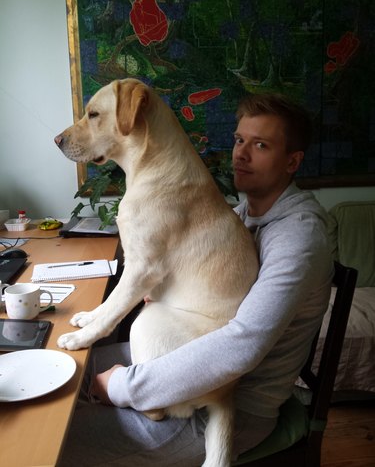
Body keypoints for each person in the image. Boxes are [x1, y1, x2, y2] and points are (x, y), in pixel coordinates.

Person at [60, 93, 333, 466]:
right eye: (239, 140)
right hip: (185, 360)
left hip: (229, 409)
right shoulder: (239, 215)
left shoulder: (299, 236)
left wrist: (123, 386)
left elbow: (244, 344)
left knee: (54, 440)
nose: (241, 154)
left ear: (292, 161)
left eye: (261, 145)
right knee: (64, 367)